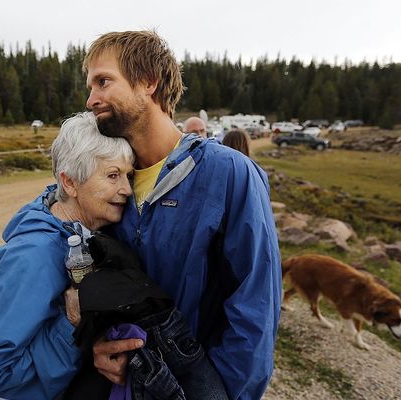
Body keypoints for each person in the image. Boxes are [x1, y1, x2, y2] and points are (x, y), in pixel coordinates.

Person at [83, 30, 281, 400]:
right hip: (128, 387)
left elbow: (256, 308)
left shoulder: (228, 174)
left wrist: (217, 392)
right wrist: (100, 342)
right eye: (90, 86)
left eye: (103, 81)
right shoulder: (109, 182)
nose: (91, 98)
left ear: (149, 82)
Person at [0, 112, 135, 399]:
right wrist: (70, 323)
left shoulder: (92, 232)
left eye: (129, 175)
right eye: (113, 175)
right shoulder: (33, 255)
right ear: (69, 183)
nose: (127, 190)